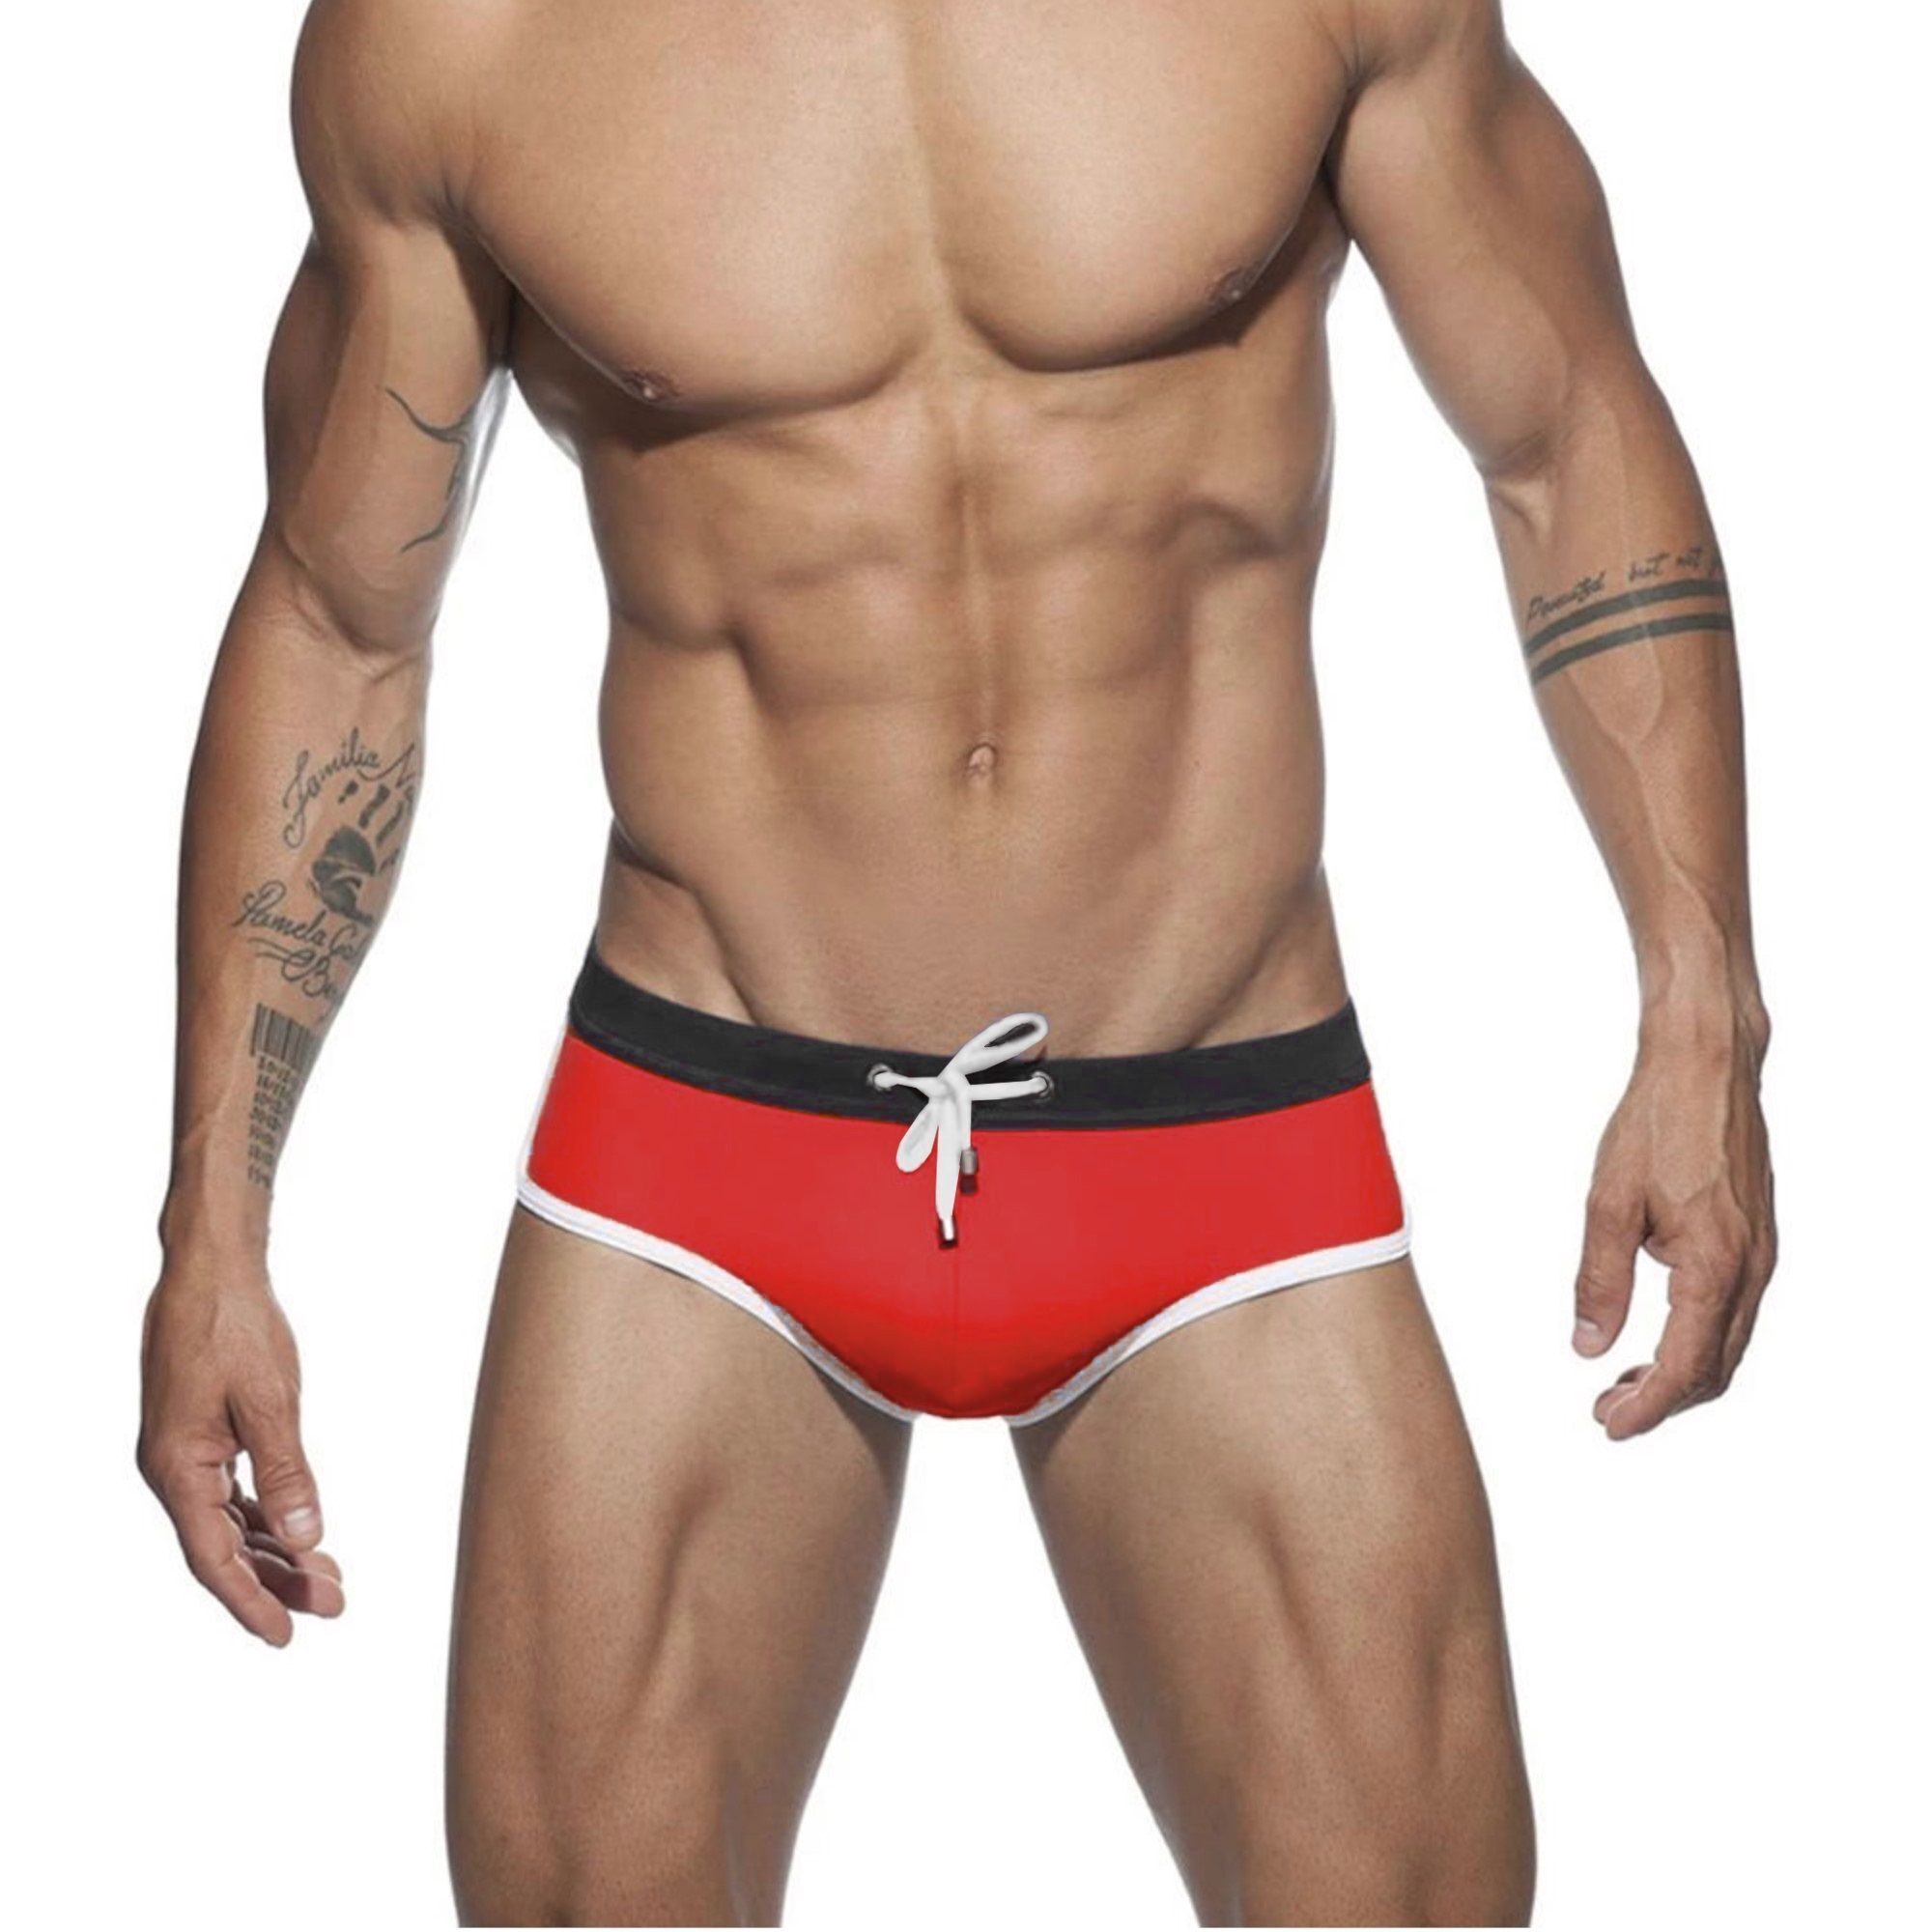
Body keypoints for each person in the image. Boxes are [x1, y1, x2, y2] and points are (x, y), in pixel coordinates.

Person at [138, 0, 1776, 1921]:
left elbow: (1563, 432)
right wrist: (214, 1224)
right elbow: (339, 621)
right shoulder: (461, 39)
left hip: (1221, 1130)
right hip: (705, 1152)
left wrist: (1702, 1009)